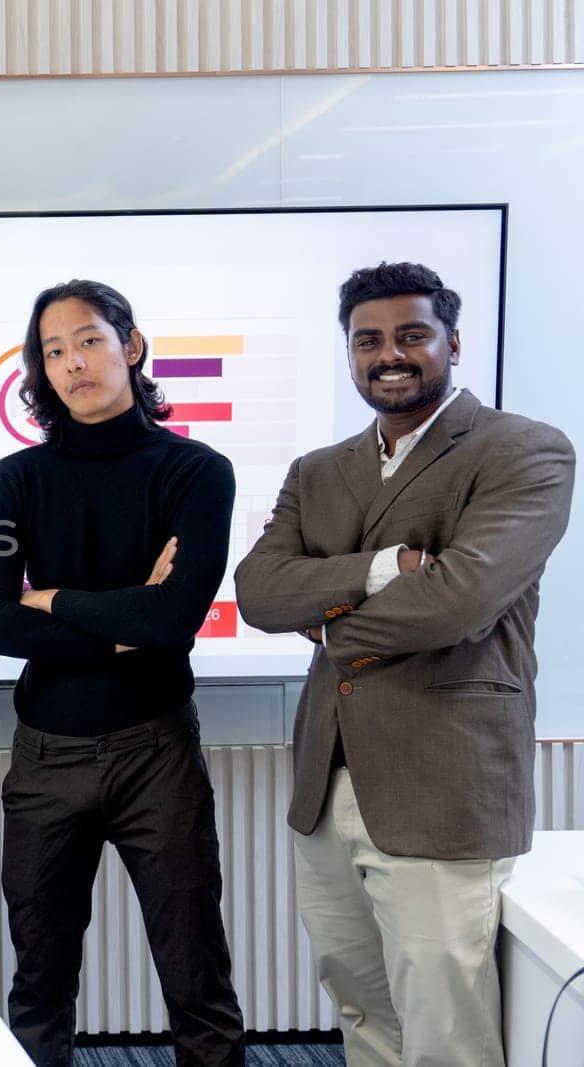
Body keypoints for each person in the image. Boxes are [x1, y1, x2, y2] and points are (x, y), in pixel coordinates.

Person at [235, 262, 575, 1066]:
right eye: (369, 341)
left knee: (443, 1021)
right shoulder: (318, 470)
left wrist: (323, 624)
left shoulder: (522, 449)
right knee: (361, 1000)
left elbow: (460, 601)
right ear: (350, 354)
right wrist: (387, 566)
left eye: (412, 335)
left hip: (444, 776)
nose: (390, 354)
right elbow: (257, 592)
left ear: (453, 342)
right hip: (330, 776)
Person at [0, 280, 245, 1066]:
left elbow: (170, 621)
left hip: (155, 752)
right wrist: (121, 622)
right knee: (39, 983)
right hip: (45, 756)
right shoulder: (16, 480)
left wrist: (50, 597)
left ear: (131, 345)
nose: (72, 362)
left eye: (88, 340)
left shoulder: (196, 471)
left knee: (197, 978)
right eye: (52, 351)